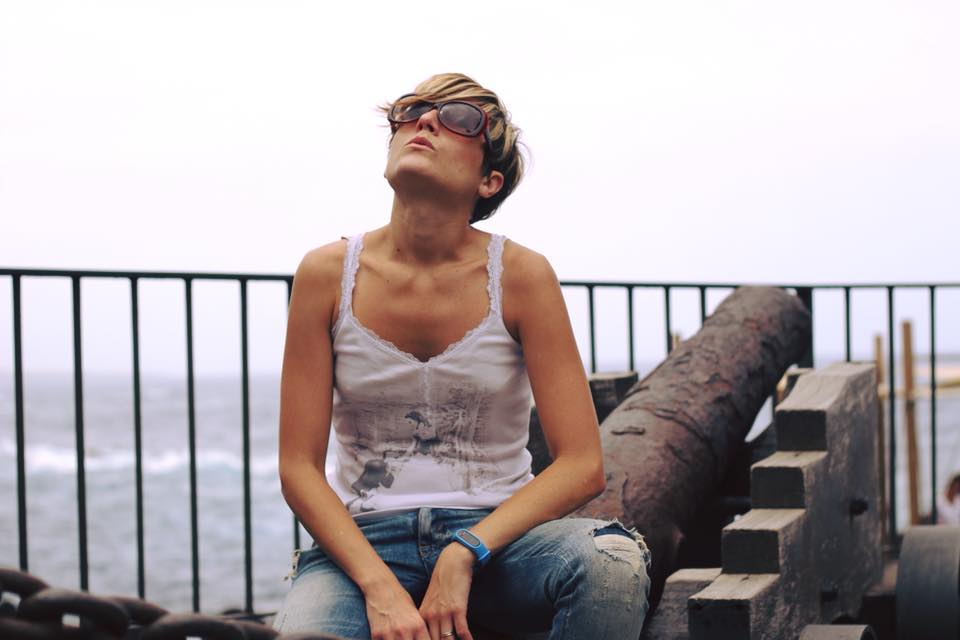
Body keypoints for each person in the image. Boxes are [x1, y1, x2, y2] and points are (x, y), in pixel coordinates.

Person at [273, 73, 651, 640]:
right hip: (363, 547)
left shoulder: (522, 276)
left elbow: (581, 464)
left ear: (488, 180)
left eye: (459, 119)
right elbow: (298, 468)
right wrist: (380, 588)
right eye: (412, 110)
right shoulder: (326, 274)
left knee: (611, 564)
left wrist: (466, 549)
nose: (425, 120)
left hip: (500, 542)